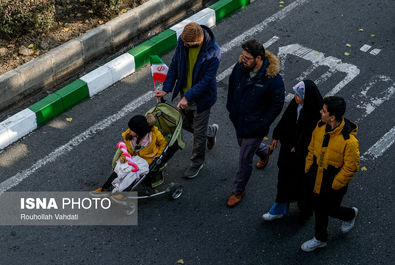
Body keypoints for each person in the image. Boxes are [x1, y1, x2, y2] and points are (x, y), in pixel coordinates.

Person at [154, 22, 221, 179]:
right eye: (183, 41)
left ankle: (197, 162)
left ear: (197, 41)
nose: (183, 45)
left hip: (202, 99)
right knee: (181, 123)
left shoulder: (214, 52)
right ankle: (210, 132)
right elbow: (175, 64)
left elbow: (206, 81)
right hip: (184, 94)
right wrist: (167, 87)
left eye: (187, 44)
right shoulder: (183, 41)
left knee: (198, 134)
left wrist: (187, 97)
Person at [226, 39, 285, 207]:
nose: (242, 60)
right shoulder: (240, 68)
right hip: (239, 120)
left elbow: (276, 105)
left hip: (255, 126)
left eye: (247, 58)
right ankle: (265, 151)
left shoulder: (273, 80)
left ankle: (238, 190)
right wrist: (230, 107)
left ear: (259, 58)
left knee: (245, 158)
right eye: (243, 56)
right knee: (243, 144)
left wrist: (263, 123)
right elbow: (232, 86)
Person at [301, 96, 360, 252]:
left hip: (333, 182)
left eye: (324, 111)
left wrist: (334, 184)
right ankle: (320, 238)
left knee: (329, 209)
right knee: (320, 209)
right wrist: (308, 167)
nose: (321, 112)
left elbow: (351, 167)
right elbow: (312, 148)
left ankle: (350, 215)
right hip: (316, 175)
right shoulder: (320, 126)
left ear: (332, 117)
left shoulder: (349, 142)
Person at [262, 80, 323, 221]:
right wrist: (276, 135)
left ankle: (305, 211)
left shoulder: (316, 114)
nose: (296, 98)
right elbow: (286, 119)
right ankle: (280, 207)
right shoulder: (296, 104)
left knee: (303, 184)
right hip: (289, 150)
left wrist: (300, 146)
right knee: (284, 178)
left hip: (304, 157)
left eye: (299, 95)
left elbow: (312, 135)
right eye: (295, 94)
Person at [92, 115, 167, 194]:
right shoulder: (130, 137)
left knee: (131, 175)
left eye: (132, 130)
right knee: (119, 168)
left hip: (145, 160)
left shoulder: (153, 135)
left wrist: (158, 155)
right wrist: (123, 157)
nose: (129, 131)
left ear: (139, 132)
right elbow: (128, 150)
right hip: (133, 157)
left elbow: (163, 143)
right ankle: (105, 187)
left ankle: (120, 192)